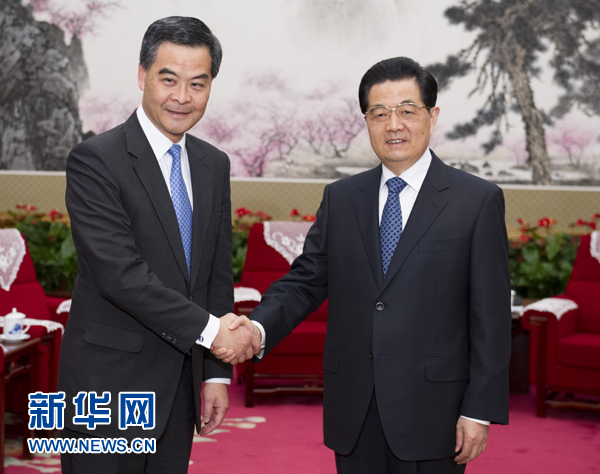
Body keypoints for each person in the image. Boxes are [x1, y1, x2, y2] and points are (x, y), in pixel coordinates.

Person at [216, 56, 511, 473]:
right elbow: (306, 280)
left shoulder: (476, 201)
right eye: (380, 113)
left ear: (432, 116)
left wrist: (479, 409)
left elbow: (490, 316)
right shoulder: (342, 198)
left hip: (435, 409)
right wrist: (258, 329)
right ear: (367, 121)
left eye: (407, 111)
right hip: (354, 405)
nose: (394, 125)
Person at [58, 16, 258, 474]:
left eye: (197, 84)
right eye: (169, 79)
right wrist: (214, 334)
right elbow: (119, 275)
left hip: (179, 386)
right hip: (107, 388)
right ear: (142, 74)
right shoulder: (96, 160)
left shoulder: (213, 164)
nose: (182, 97)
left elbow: (215, 274)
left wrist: (215, 373)